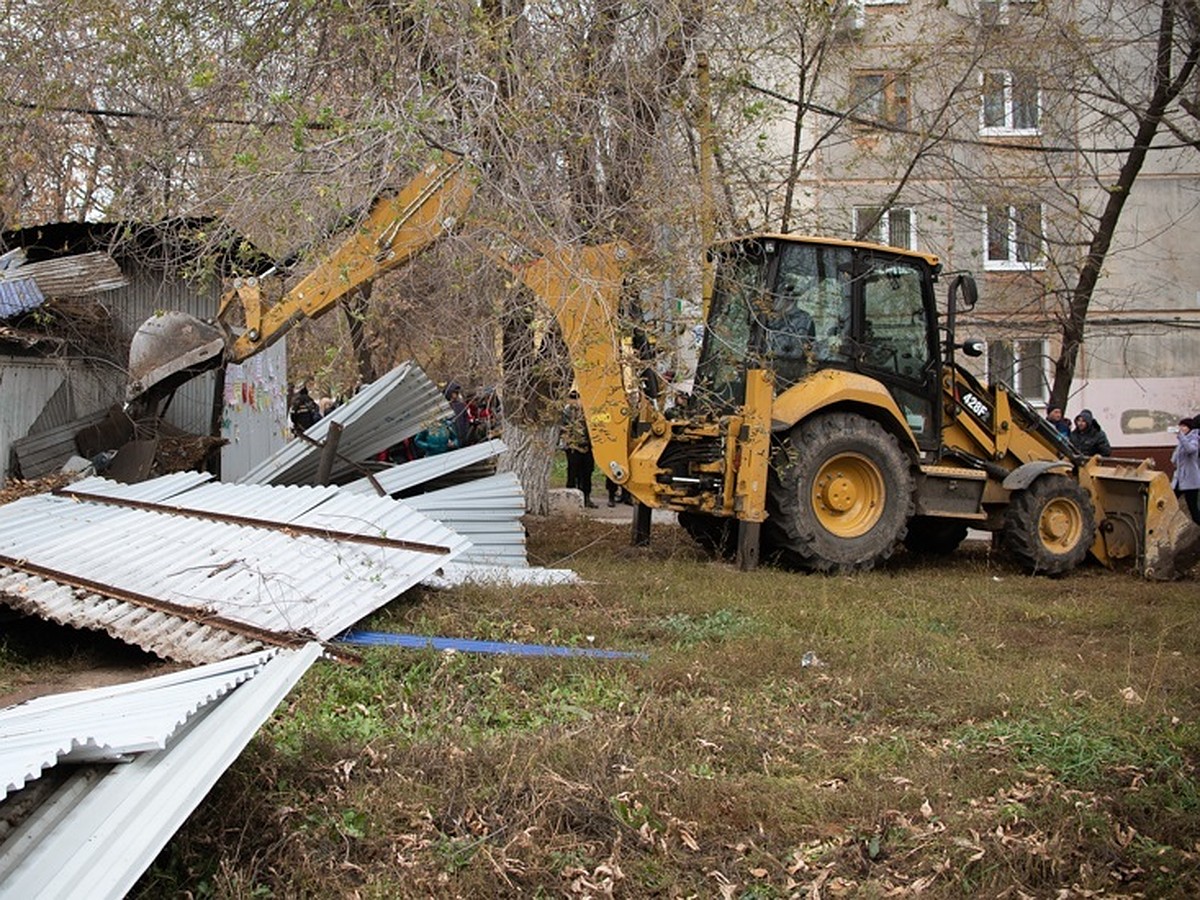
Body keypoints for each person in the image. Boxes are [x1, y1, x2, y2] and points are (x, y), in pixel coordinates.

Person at [561, 390, 597, 508]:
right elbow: (564, 428)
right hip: (573, 447)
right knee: (573, 472)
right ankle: (570, 498)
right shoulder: (567, 411)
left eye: (577, 398)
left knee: (587, 472)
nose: (575, 401)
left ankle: (586, 497)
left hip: (587, 446)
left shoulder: (588, 410)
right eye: (573, 398)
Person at [1170, 417, 1200, 523]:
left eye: (1184, 426)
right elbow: (1174, 459)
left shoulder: (1194, 439)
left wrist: (1181, 437)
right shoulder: (1183, 440)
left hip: (1191, 481)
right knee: (1169, 503)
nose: (1181, 428)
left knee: (1194, 510)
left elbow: (1191, 449)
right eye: (1180, 426)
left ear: (1189, 428)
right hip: (1179, 480)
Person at [445, 381, 472, 447]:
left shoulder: (461, 405)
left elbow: (466, 419)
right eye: (454, 392)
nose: (456, 394)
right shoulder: (445, 407)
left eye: (456, 392)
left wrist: (466, 431)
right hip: (452, 439)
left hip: (463, 436)